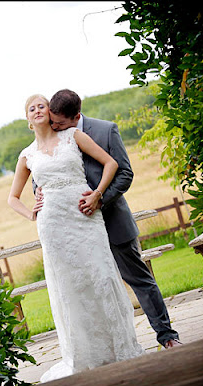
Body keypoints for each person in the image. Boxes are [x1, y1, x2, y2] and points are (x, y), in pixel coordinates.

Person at [8, 94, 144, 382]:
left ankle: (119, 347)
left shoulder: (74, 136)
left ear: (50, 111)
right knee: (69, 287)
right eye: (31, 108)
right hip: (53, 226)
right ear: (28, 120)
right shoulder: (27, 156)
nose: (37, 110)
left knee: (101, 277)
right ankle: (84, 354)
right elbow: (13, 198)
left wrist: (98, 194)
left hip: (85, 218)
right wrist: (32, 214)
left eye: (41, 105)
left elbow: (110, 164)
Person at [38, 89, 181, 350]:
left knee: (139, 280)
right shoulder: (54, 136)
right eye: (52, 123)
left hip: (113, 220)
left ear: (76, 116)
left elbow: (125, 172)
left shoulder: (105, 130)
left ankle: (167, 336)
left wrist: (100, 198)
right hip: (76, 228)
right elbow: (43, 173)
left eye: (59, 123)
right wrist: (38, 192)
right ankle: (104, 349)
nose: (55, 128)